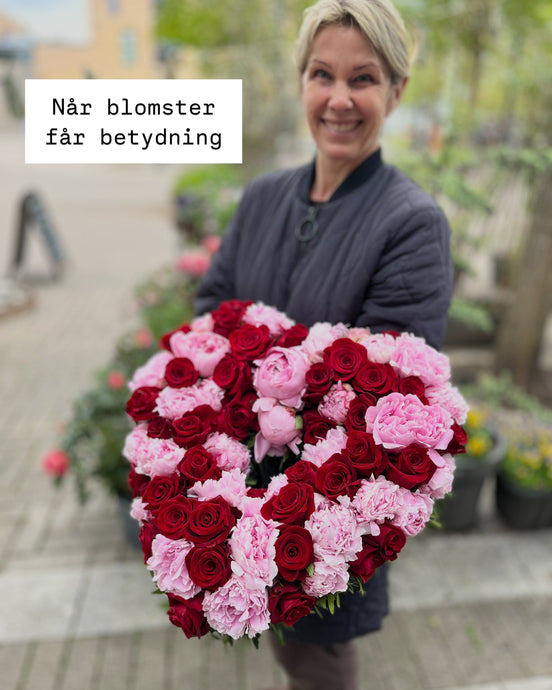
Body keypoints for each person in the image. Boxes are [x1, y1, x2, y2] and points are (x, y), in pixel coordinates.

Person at [195, 1, 454, 688]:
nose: (339, 99)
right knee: (287, 655)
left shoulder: (411, 224)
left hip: (327, 512)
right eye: (322, 75)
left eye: (362, 78)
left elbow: (386, 400)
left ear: (396, 91)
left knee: (319, 660)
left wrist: (255, 377)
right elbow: (207, 312)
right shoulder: (262, 198)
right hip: (235, 496)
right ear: (301, 82)